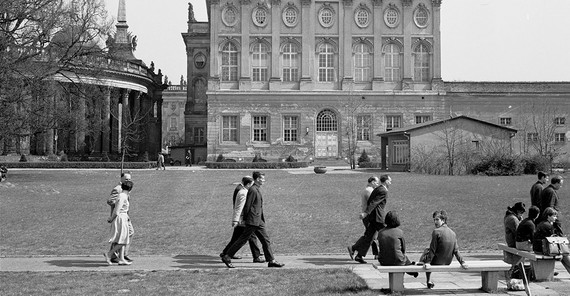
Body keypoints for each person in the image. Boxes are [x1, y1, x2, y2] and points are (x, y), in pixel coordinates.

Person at [221, 172, 285, 268]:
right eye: (262, 179)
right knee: (242, 240)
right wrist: (246, 219)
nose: (264, 180)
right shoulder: (253, 190)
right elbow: (248, 206)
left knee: (265, 240)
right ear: (257, 179)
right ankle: (227, 256)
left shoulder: (256, 189)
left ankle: (271, 260)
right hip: (253, 220)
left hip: (258, 220)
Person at [348, 174, 391, 264]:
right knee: (388, 234)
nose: (391, 182)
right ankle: (389, 255)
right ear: (386, 181)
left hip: (372, 217)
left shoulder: (377, 189)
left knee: (369, 237)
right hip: (377, 217)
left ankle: (359, 255)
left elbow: (372, 202)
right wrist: (365, 213)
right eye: (390, 180)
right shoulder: (382, 190)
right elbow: (374, 203)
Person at [220, 176, 264, 263]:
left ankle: (226, 253)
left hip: (243, 219)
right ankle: (228, 255)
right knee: (247, 238)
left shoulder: (243, 190)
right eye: (252, 184)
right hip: (243, 220)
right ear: (248, 184)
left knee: (241, 237)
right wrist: (236, 220)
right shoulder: (243, 192)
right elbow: (239, 207)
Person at [421, 210, 468, 289]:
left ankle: (428, 280)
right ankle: (428, 279)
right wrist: (462, 262)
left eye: (437, 219)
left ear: (443, 220)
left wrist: (428, 262)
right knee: (428, 251)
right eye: (434, 220)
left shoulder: (436, 232)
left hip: (436, 262)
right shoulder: (453, 233)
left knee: (427, 251)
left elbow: (432, 249)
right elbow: (456, 250)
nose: (435, 222)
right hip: (447, 262)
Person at [377, 211, 418, 278]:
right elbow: (403, 248)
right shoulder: (399, 232)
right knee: (403, 259)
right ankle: (411, 271)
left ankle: (411, 270)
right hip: (397, 260)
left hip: (383, 260)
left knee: (402, 259)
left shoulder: (381, 232)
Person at [104, 181, 134, 265]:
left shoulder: (123, 195)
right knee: (123, 240)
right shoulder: (122, 196)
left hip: (123, 217)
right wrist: (111, 218)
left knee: (123, 239)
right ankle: (109, 254)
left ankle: (121, 259)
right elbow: (117, 210)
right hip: (120, 218)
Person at [533, 207, 570, 274]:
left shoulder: (543, 223)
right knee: (564, 254)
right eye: (554, 216)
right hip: (543, 250)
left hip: (538, 248)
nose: (556, 218)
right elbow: (554, 240)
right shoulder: (547, 226)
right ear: (548, 216)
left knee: (564, 254)